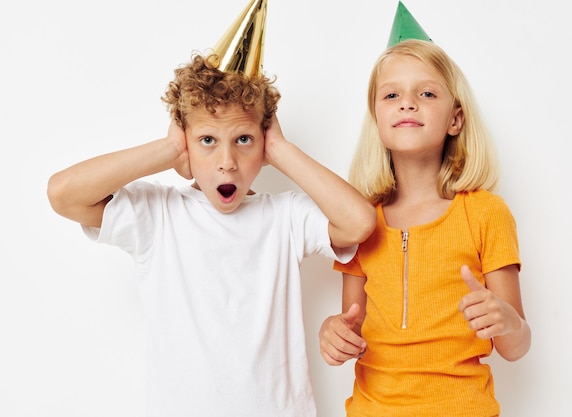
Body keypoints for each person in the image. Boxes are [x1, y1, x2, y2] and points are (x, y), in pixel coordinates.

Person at [46, 13, 377, 417]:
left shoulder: (284, 217)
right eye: (206, 140)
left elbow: (358, 222)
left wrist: (281, 150)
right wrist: (168, 151)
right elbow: (64, 194)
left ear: (264, 142)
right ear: (185, 140)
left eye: (244, 140)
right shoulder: (159, 215)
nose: (227, 162)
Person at [317, 5, 531, 416]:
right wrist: (333, 333)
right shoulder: (360, 221)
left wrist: (504, 319)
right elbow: (352, 324)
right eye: (391, 94)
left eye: (427, 93)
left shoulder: (486, 213)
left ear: (455, 119)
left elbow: (516, 346)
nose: (408, 104)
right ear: (377, 118)